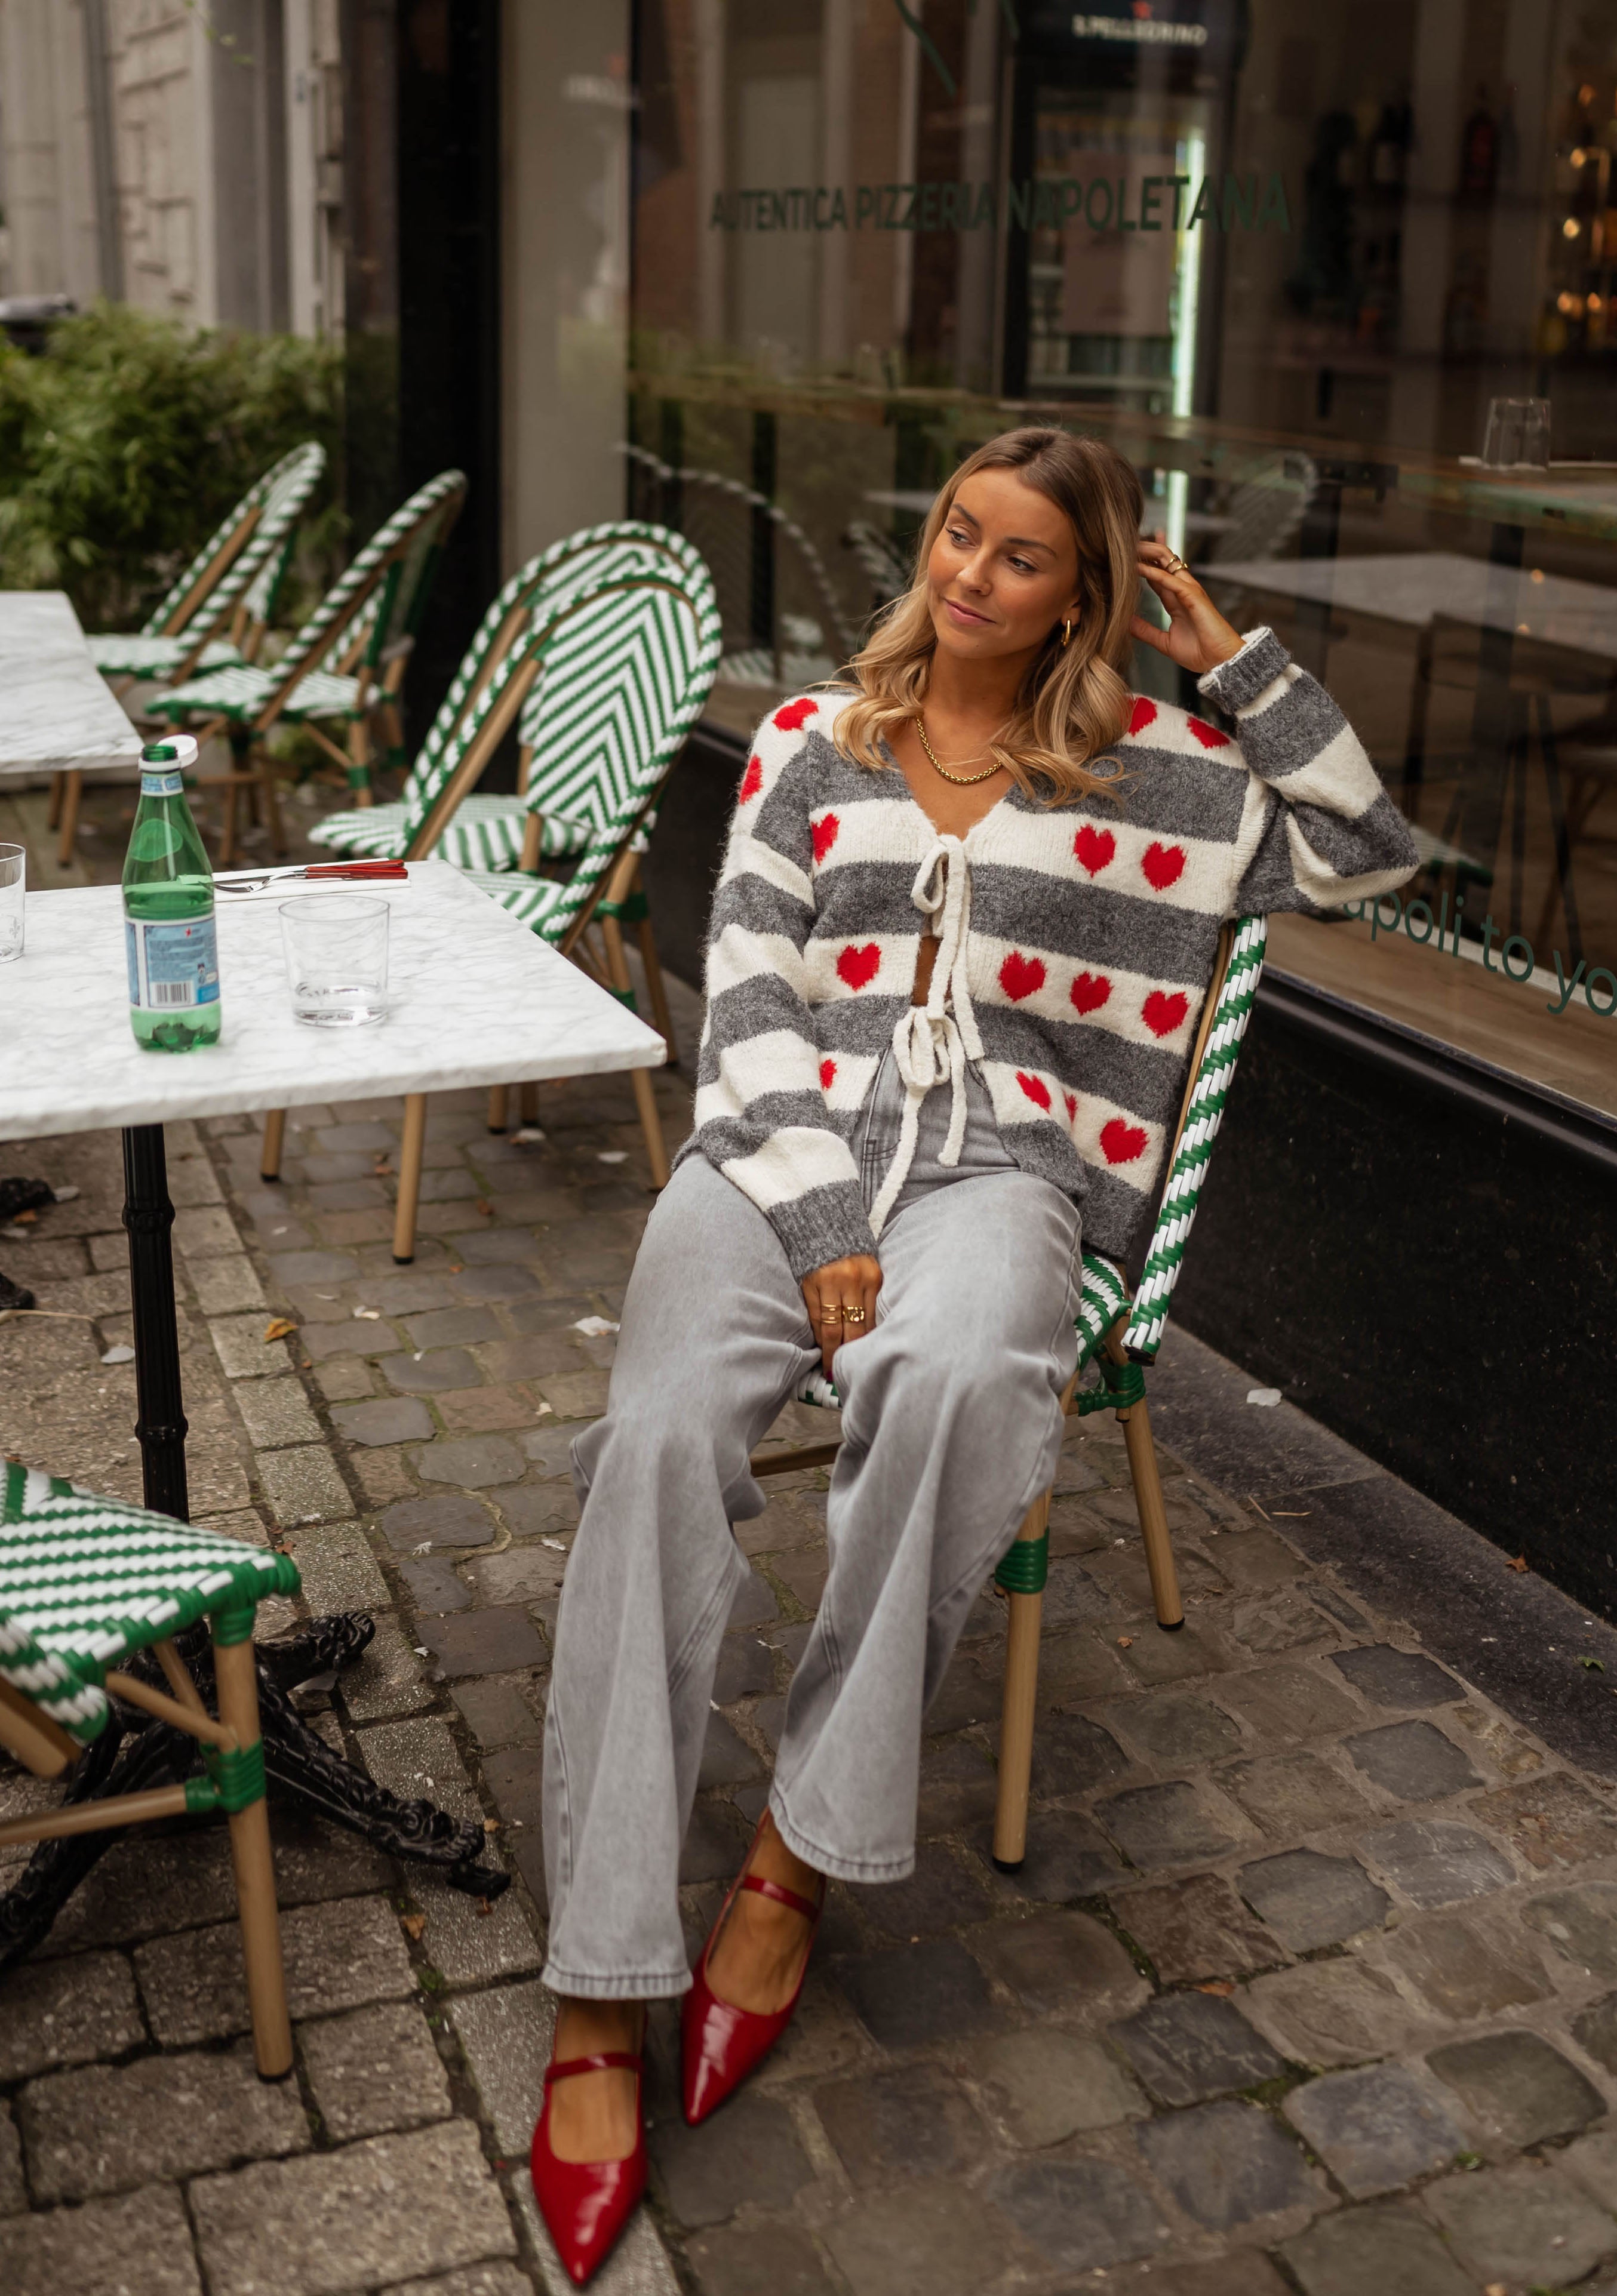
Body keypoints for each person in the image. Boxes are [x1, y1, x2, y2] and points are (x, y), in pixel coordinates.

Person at [527, 426, 1418, 2282]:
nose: (972, 577)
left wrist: (1229, 659)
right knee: (660, 1434)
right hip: (783, 1154)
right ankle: (602, 1982)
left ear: (1079, 592)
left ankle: (786, 1864)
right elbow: (746, 994)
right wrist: (822, 1225)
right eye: (956, 535)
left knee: (950, 1382)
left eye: (1023, 558)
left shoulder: (1162, 782)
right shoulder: (806, 746)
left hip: (1008, 1170)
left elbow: (1368, 850)